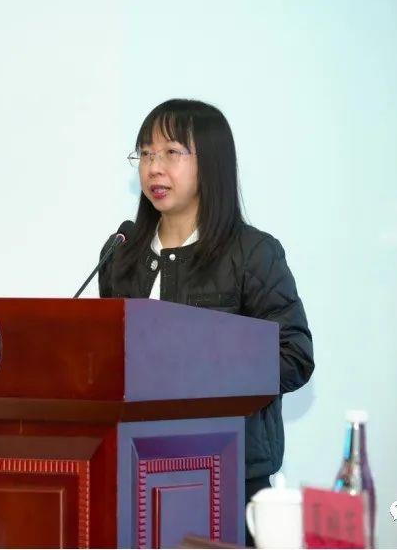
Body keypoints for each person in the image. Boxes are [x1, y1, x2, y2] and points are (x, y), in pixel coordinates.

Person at [98, 98, 314, 547]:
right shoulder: (122, 256)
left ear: (211, 163)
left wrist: (205, 366)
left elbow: (294, 357)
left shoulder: (252, 254)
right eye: (146, 153)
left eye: (171, 152)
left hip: (227, 479)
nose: (154, 167)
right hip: (134, 474)